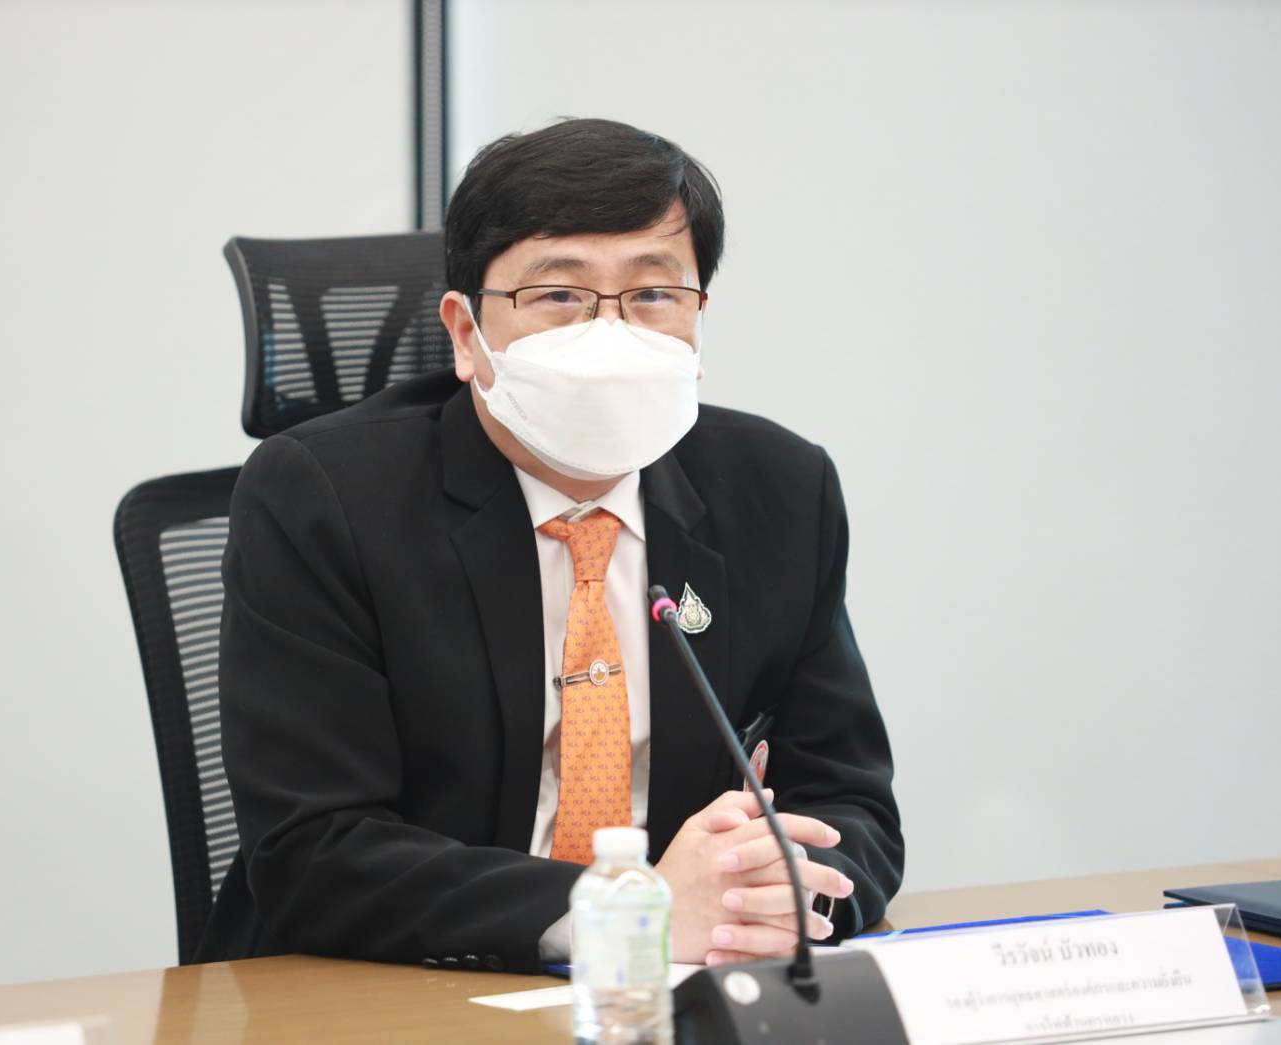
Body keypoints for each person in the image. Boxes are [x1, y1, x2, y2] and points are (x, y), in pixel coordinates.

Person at [196, 118, 902, 974]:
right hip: (405, 984)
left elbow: (848, 799)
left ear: (698, 320)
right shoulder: (321, 498)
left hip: (690, 983)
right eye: (559, 295)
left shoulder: (780, 489)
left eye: (652, 293)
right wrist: (624, 914)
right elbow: (313, 850)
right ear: (466, 334)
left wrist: (791, 895)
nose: (609, 333)